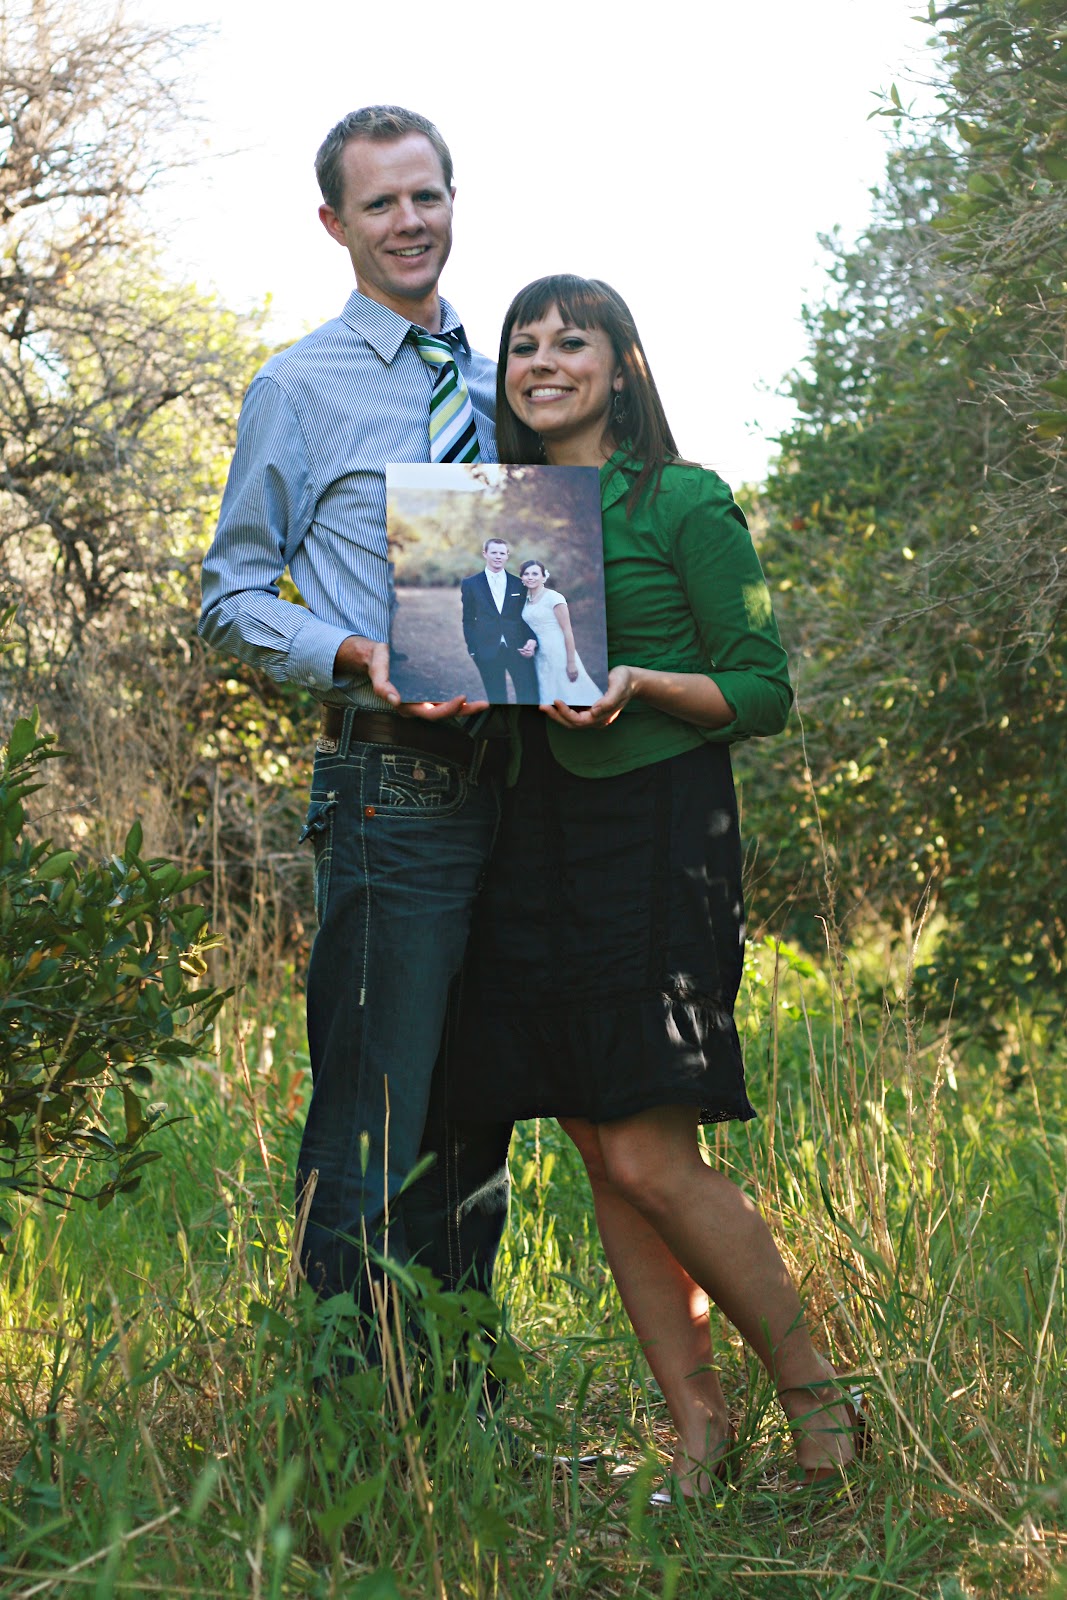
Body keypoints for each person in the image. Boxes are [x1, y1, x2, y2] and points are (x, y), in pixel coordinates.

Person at [453, 275, 864, 1495]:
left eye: (568, 340)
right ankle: (697, 1428)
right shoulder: (507, 513)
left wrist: (638, 678)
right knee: (595, 1144)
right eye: (522, 344)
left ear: (621, 365)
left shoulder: (682, 499)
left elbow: (762, 688)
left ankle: (821, 1411)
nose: (540, 360)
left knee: (647, 1153)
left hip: (656, 829)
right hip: (535, 832)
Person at [199, 105, 513, 1335]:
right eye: (378, 203)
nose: (407, 222)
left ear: (451, 202)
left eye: (424, 196)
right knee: (371, 1124)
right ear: (334, 222)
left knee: (474, 1126)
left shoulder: (509, 384)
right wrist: (353, 651)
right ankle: (339, 1431)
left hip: (516, 792)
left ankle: (452, 1405)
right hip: (391, 792)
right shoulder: (297, 386)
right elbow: (228, 594)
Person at [461, 537, 540, 704]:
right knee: (496, 699)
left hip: (517, 648)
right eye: (494, 552)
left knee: (528, 696)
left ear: (507, 556)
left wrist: (532, 639)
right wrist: (473, 649)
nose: (498, 556)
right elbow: (468, 619)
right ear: (485, 554)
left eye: (502, 553)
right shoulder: (470, 584)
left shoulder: (519, 584)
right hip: (487, 650)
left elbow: (524, 616)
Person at [518, 559, 603, 706]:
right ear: (522, 578)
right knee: (549, 693)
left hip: (558, 652)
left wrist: (571, 662)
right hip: (540, 655)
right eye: (526, 574)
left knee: (570, 693)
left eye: (535, 573)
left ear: (543, 577)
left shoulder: (554, 598)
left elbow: (567, 631)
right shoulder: (525, 601)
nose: (530, 577)